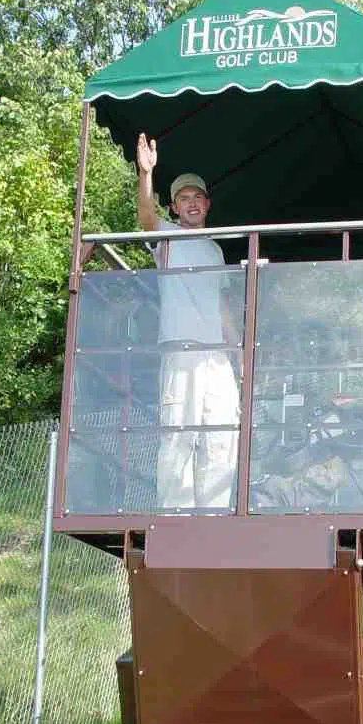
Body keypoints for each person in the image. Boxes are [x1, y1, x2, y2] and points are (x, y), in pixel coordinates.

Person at [136, 132, 240, 511]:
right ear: (175, 207)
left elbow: (223, 307)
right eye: (184, 199)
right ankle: (175, 517)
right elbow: (146, 217)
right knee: (179, 433)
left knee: (223, 434)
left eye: (197, 198)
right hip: (182, 350)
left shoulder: (215, 248)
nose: (192, 204)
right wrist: (146, 174)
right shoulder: (166, 235)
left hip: (217, 357)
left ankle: (211, 516)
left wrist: (238, 353)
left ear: (207, 204)